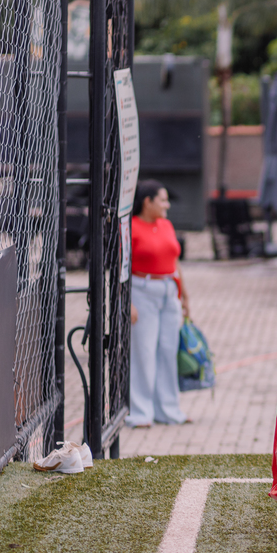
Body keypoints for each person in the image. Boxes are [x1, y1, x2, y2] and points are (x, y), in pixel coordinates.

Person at [128, 179, 189, 428]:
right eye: (162, 200)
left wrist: (185, 297)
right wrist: (127, 302)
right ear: (147, 202)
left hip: (168, 291)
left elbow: (175, 262)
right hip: (142, 291)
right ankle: (141, 413)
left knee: (167, 350)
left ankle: (168, 410)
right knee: (143, 352)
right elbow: (120, 267)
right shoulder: (131, 227)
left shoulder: (166, 225)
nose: (167, 205)